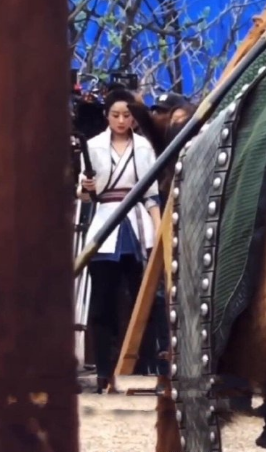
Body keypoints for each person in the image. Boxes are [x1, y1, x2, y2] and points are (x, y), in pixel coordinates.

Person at [77, 89, 161, 393]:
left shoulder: (145, 147)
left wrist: (158, 232)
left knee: (144, 299)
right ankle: (103, 369)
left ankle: (147, 367)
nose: (121, 120)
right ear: (107, 116)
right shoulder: (93, 146)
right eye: (115, 115)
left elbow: (151, 194)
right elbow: (86, 195)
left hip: (137, 223)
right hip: (105, 223)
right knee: (103, 301)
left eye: (127, 115)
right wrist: (87, 187)